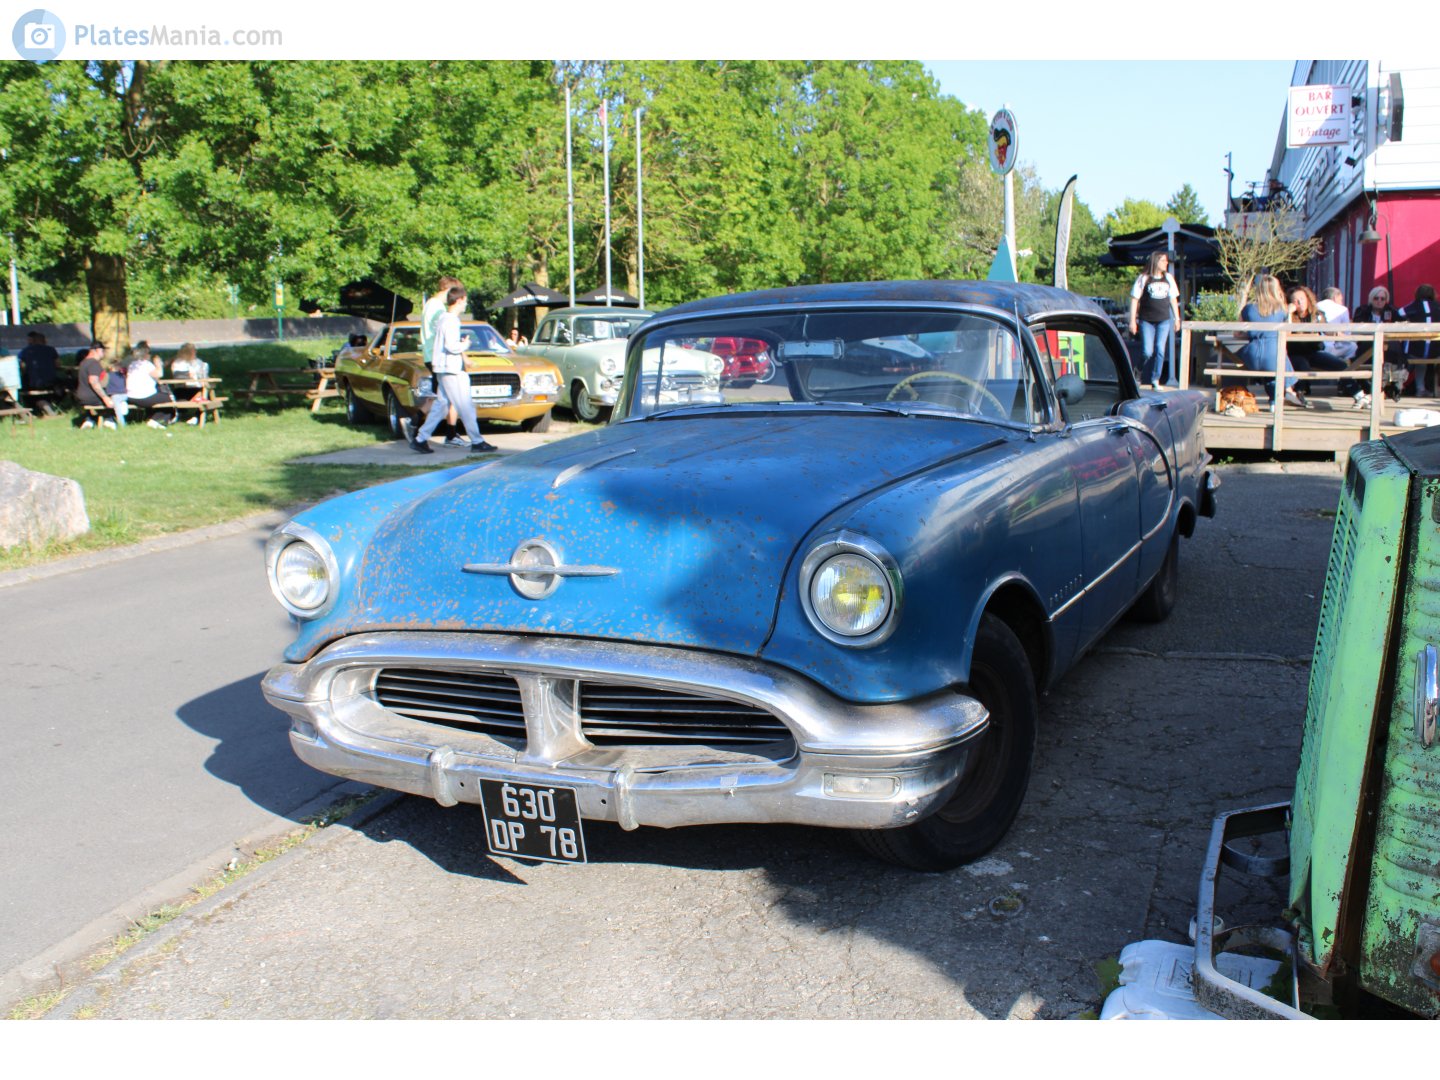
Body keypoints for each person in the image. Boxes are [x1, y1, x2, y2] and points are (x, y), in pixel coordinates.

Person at [410, 285, 496, 455]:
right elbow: (451, 346)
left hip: (442, 367)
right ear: (458, 301)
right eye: (464, 301)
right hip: (451, 369)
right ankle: (477, 441)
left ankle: (420, 438)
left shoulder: (443, 318)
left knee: (441, 405)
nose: (466, 305)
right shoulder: (451, 320)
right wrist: (465, 344)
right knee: (465, 405)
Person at [1239, 274, 1305, 409]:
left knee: (1273, 363)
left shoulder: (1248, 309)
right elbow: (1288, 333)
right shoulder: (1282, 310)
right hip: (1274, 356)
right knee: (1279, 357)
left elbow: (1237, 332)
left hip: (1252, 356)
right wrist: (1290, 314)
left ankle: (1274, 402)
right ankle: (1288, 390)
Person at [1127, 251, 1181, 389]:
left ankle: (1155, 379)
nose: (1166, 263)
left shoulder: (1168, 278)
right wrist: (1133, 320)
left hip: (1164, 319)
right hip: (1147, 320)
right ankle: (1138, 370)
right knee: (1147, 351)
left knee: (1160, 350)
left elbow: (1173, 299)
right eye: (1163, 261)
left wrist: (1177, 318)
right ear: (1156, 262)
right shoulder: (1144, 278)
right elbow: (1135, 299)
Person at [1286, 285, 1347, 375]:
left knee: (1341, 365)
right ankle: (1302, 389)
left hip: (1313, 352)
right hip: (1294, 354)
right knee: (1303, 367)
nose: (1300, 302)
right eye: (1295, 300)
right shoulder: (1288, 316)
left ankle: (1350, 387)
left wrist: (1336, 333)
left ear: (1307, 299)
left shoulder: (1316, 314)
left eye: (1302, 299)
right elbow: (1287, 333)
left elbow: (1326, 329)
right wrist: (1289, 313)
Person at [1397, 284, 1439, 396]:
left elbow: (1400, 312)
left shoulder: (1415, 305)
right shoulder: (1437, 306)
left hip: (1415, 350)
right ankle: (1421, 389)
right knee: (1422, 361)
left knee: (1408, 354)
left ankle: (1397, 386)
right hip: (1435, 351)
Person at [124, 343, 177, 426]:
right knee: (168, 398)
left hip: (130, 396)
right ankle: (156, 419)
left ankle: (152, 417)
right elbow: (159, 374)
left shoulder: (133, 365)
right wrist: (158, 364)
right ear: (146, 354)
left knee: (158, 396)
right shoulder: (147, 365)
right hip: (143, 397)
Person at [73, 340, 119, 428]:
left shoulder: (83, 362)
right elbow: (93, 381)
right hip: (92, 397)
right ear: (96, 350)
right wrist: (104, 397)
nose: (104, 354)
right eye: (103, 351)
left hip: (81, 396)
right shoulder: (94, 363)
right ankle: (109, 420)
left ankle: (89, 420)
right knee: (116, 398)